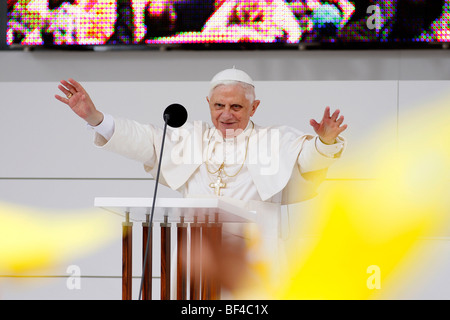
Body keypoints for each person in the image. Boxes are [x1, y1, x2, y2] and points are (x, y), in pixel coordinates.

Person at [55, 68, 347, 295]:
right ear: (208, 103)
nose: (226, 115)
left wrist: (325, 142)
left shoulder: (274, 140)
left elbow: (309, 161)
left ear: (254, 107)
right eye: (219, 105)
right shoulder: (190, 138)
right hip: (199, 261)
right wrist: (94, 117)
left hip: (255, 261)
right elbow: (144, 140)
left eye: (236, 107)